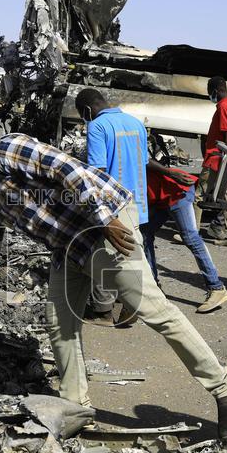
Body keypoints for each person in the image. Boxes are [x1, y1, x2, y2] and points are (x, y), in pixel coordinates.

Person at [0, 132, 227, 439]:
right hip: (68, 245)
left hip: (106, 227)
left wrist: (104, 217)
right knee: (60, 323)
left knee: (153, 310)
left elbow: (68, 169)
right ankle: (75, 408)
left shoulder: (3, 152)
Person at [74, 88, 147, 324]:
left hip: (112, 205)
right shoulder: (136, 123)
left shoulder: (97, 126)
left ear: (86, 109)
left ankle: (103, 311)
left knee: (102, 255)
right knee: (131, 254)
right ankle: (131, 306)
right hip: (137, 202)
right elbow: (144, 162)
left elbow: (98, 172)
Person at [142, 159, 227, 313]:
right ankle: (154, 288)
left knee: (190, 237)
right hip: (162, 198)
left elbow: (144, 158)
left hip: (177, 191)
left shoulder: (130, 156)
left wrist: (169, 172)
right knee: (144, 235)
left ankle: (216, 288)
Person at [196, 76, 227, 247]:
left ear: (215, 90)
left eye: (210, 92)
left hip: (218, 161)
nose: (210, 95)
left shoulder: (224, 106)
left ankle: (192, 234)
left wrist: (226, 160)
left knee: (198, 196)